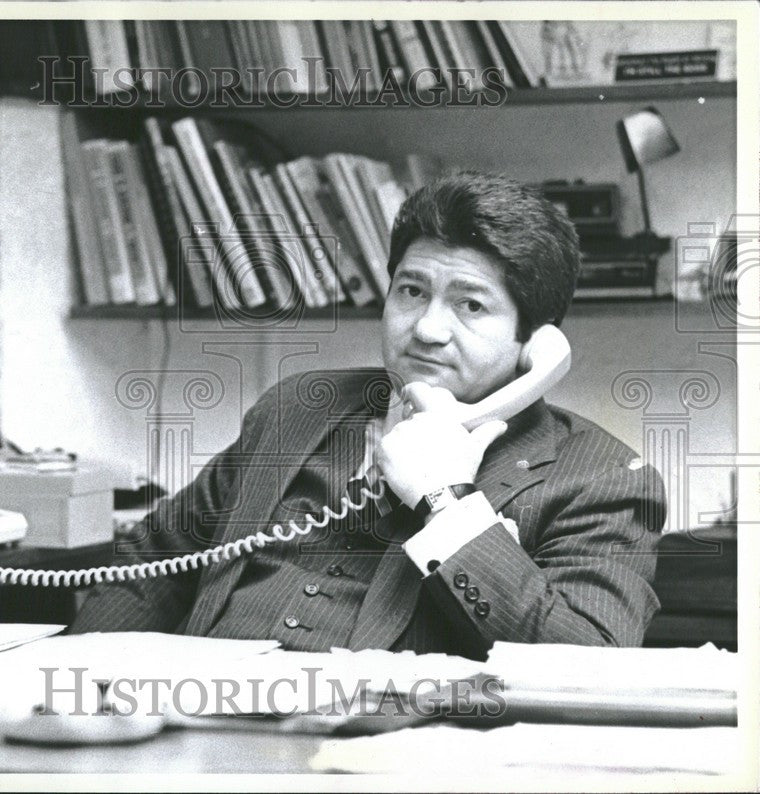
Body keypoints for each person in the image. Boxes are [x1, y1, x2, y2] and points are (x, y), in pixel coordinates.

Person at [71, 171, 665, 658]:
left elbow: (586, 661)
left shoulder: (600, 478)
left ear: (536, 342)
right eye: (411, 291)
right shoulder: (298, 409)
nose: (428, 329)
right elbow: (151, 562)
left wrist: (447, 504)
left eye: (471, 304)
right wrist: (81, 683)